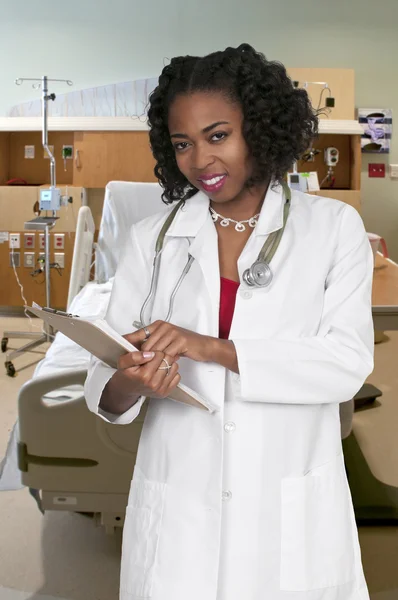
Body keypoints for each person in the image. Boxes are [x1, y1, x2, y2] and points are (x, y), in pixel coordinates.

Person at [85, 43, 374, 600]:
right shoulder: (153, 240)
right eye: (183, 144)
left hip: (286, 502)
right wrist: (132, 380)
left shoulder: (333, 229)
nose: (200, 161)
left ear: (262, 128)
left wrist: (210, 348)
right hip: (180, 507)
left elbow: (345, 366)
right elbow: (105, 385)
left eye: (218, 136)